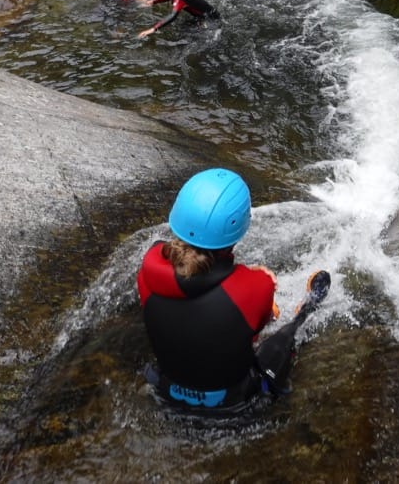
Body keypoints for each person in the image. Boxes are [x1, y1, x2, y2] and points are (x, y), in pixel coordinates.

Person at [136, 168, 330, 414]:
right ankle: (306, 310)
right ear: (238, 228)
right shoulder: (258, 284)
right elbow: (253, 330)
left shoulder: (147, 272)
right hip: (232, 403)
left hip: (166, 391)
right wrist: (257, 281)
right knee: (280, 338)